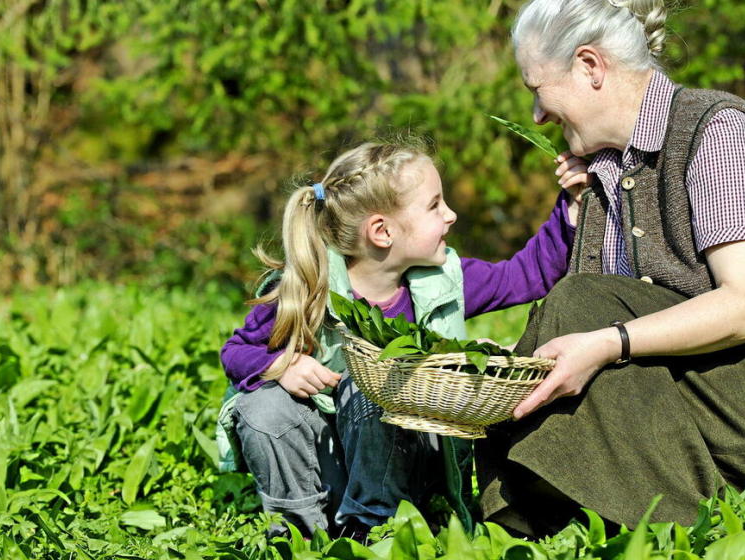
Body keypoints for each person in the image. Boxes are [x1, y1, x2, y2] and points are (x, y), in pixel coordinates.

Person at [477, 0, 745, 535]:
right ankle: (538, 516)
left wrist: (607, 341)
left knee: (584, 307)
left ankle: (680, 526)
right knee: (572, 314)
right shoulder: (603, 176)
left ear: (590, 66)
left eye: (539, 91)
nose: (538, 115)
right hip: (711, 408)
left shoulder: (719, 136)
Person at [219, 138, 574, 539]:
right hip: (327, 470)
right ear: (382, 231)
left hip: (405, 475)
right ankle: (298, 537)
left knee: (374, 376)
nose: (451, 215)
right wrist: (281, 365)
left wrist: (572, 207)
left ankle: (374, 530)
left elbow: (525, 275)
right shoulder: (306, 290)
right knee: (262, 408)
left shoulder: (443, 282)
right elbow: (235, 352)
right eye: (434, 206)